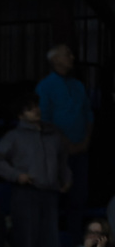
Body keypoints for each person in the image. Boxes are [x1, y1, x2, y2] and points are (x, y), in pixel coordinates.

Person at [0, 94, 71, 247]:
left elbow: (63, 160)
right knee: (26, 245)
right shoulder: (14, 136)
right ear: (20, 115)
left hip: (50, 194)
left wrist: (66, 179)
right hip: (26, 193)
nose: (35, 111)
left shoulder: (53, 134)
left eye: (36, 107)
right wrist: (17, 175)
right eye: (29, 109)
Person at [37, 43, 93, 228]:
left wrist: (85, 141)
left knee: (79, 196)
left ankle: (76, 238)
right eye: (67, 54)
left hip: (81, 149)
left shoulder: (78, 85)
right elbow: (44, 120)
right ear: (55, 60)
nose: (72, 57)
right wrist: (66, 144)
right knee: (57, 196)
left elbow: (88, 115)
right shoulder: (45, 86)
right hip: (57, 152)